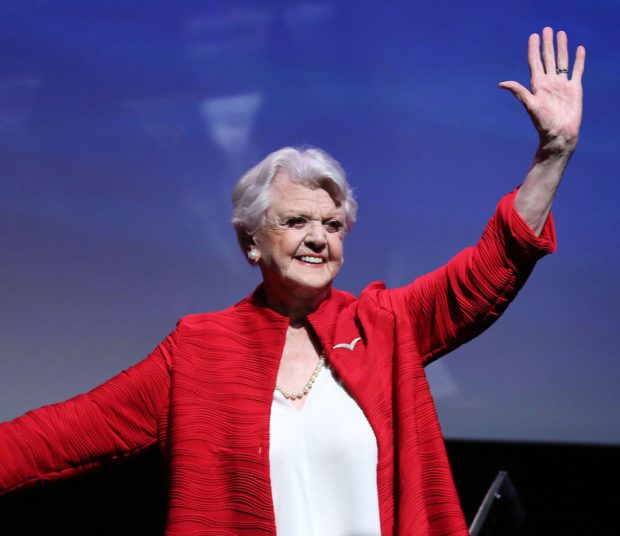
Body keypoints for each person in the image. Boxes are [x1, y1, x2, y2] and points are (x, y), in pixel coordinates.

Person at [0, 27, 585, 535]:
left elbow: (491, 266)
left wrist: (553, 154)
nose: (318, 237)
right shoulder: (198, 351)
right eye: (296, 221)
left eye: (333, 224)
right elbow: (61, 436)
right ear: (251, 240)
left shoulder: (384, 325)